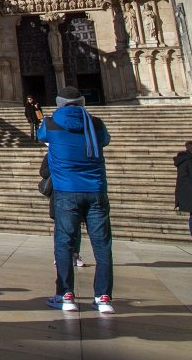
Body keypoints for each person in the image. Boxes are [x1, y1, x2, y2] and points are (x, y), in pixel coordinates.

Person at [39, 85, 115, 314]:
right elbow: (105, 140)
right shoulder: (97, 124)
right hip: (96, 190)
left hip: (66, 190)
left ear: (59, 103)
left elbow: (41, 137)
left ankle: (65, 295)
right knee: (102, 245)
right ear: (82, 103)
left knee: (64, 243)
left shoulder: (50, 123)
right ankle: (103, 297)